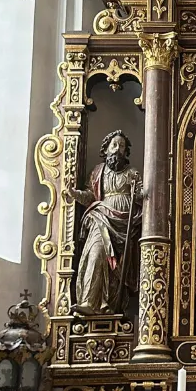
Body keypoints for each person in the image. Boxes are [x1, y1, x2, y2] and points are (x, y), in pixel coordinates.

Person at [64, 130, 143, 315]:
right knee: (96, 253)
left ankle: (109, 304)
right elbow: (90, 196)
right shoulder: (98, 172)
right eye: (114, 145)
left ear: (126, 151)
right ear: (106, 149)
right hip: (101, 219)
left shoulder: (132, 173)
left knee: (117, 267)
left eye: (122, 146)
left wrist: (137, 192)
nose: (117, 149)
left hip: (126, 224)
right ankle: (89, 301)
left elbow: (142, 196)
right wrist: (74, 194)